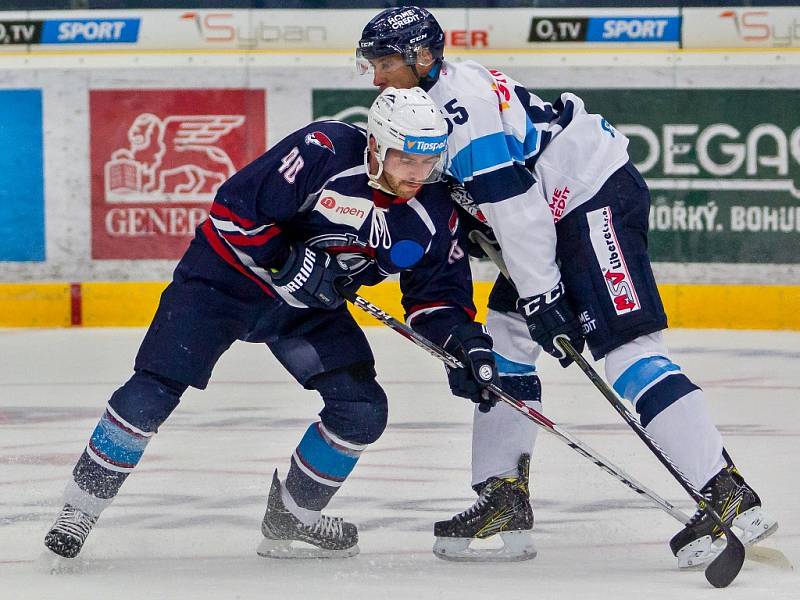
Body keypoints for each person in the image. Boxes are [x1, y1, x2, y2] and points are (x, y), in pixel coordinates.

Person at [356, 6, 778, 565]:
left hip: (588, 196)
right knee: (504, 339)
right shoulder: (427, 103)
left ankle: (726, 494)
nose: (377, 76)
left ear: (424, 56)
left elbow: (519, 210)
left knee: (628, 351)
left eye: (386, 62)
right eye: (373, 63)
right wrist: (534, 294)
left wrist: (543, 294)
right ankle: (501, 495)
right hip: (546, 221)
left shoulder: (467, 110)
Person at [43, 86, 500, 561]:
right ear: (377, 147)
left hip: (304, 311)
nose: (417, 174)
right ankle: (79, 510)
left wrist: (463, 343)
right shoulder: (324, 150)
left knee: (362, 409)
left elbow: (437, 299)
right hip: (223, 282)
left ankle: (291, 516)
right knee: (154, 388)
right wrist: (286, 262)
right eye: (407, 159)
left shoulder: (434, 210)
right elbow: (235, 209)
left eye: (428, 161)